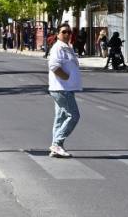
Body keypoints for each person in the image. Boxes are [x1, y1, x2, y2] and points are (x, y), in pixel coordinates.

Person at [48, 22, 82, 158]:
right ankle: (57, 143)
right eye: (64, 32)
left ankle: (56, 147)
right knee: (74, 116)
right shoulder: (58, 48)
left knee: (60, 118)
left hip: (65, 88)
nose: (67, 34)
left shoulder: (67, 47)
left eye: (69, 32)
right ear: (58, 34)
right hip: (62, 88)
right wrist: (66, 77)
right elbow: (54, 66)